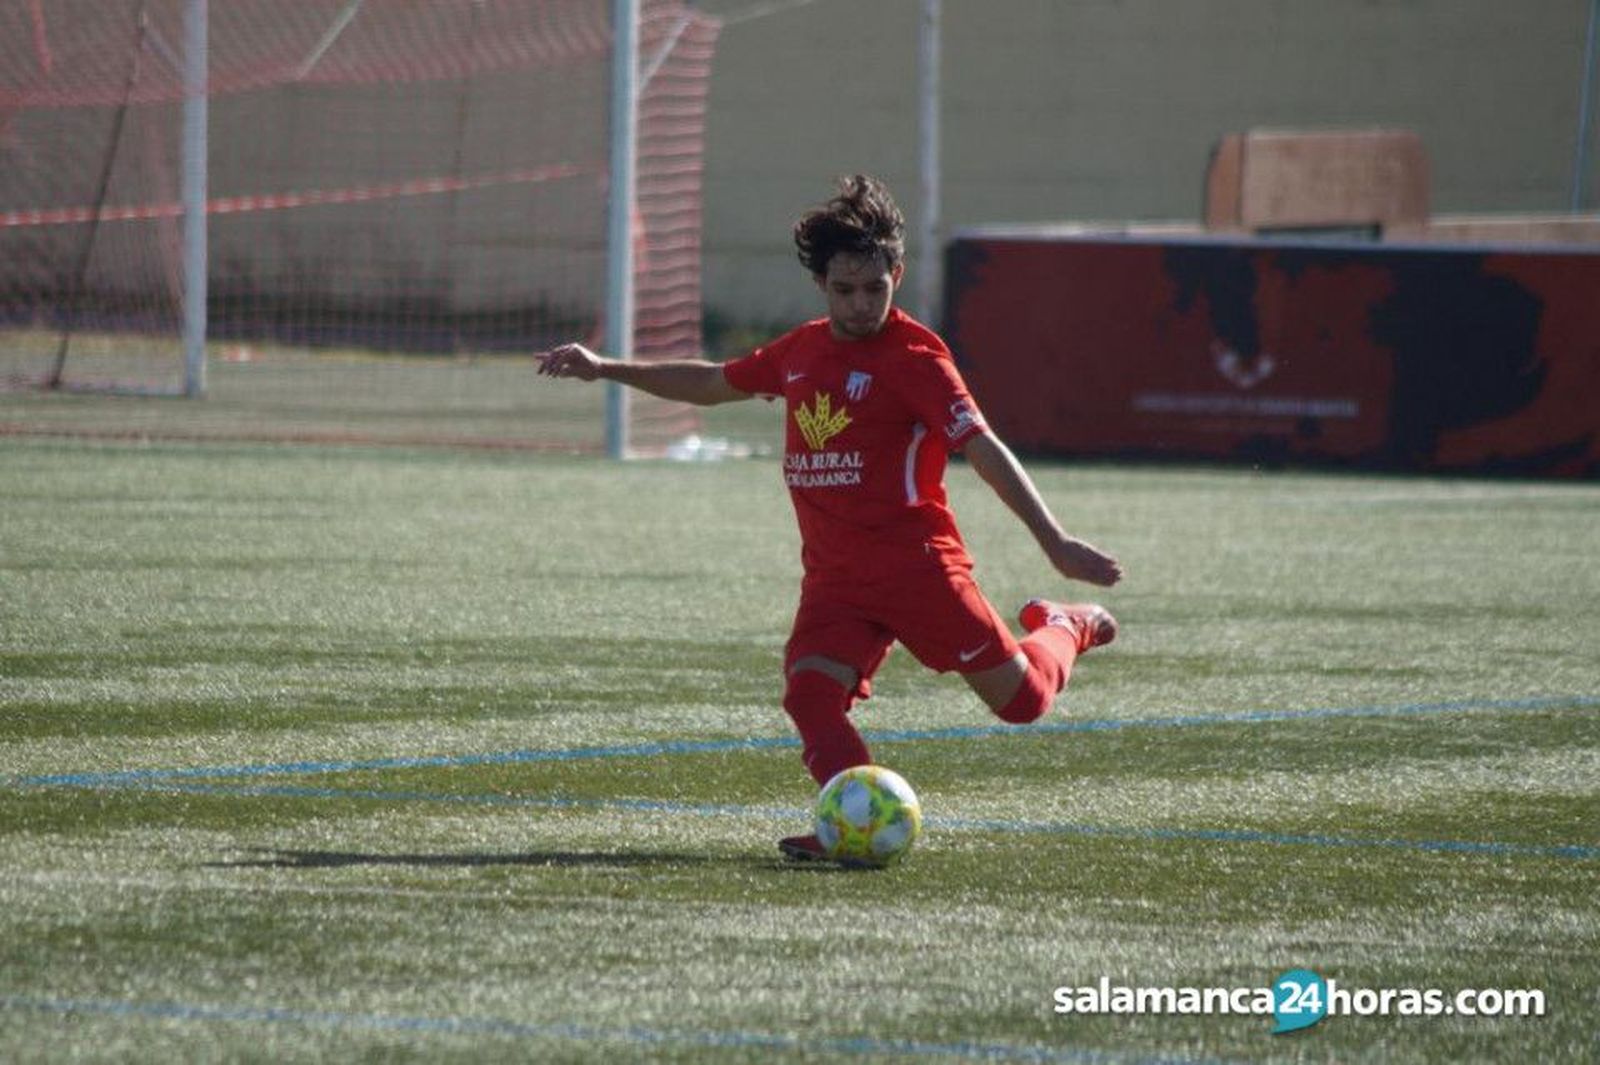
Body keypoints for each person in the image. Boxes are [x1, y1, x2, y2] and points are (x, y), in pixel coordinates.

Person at [537, 174, 1123, 861]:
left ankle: (1065, 625)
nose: (861, 304)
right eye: (845, 290)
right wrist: (605, 368)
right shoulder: (801, 351)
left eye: (875, 288)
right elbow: (711, 381)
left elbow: (983, 448)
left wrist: (1054, 540)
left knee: (1022, 704)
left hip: (920, 571)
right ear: (821, 284)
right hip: (836, 581)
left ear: (896, 276)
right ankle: (847, 821)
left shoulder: (918, 359)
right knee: (811, 695)